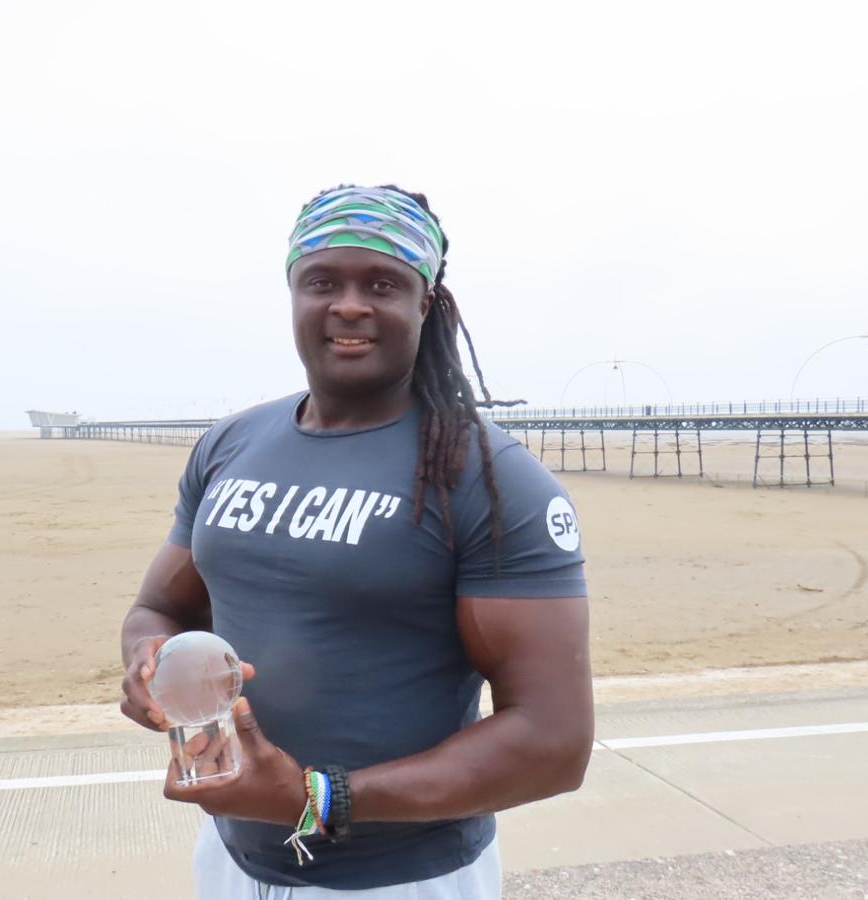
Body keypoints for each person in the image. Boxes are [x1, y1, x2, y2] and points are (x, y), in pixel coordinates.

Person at [119, 185, 592, 898]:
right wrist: (148, 668)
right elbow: (158, 607)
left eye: (382, 284)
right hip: (230, 858)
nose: (348, 304)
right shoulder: (232, 444)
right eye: (322, 282)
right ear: (292, 295)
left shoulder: (488, 479)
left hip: (399, 879)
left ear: (424, 305)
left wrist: (319, 798)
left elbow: (554, 744)